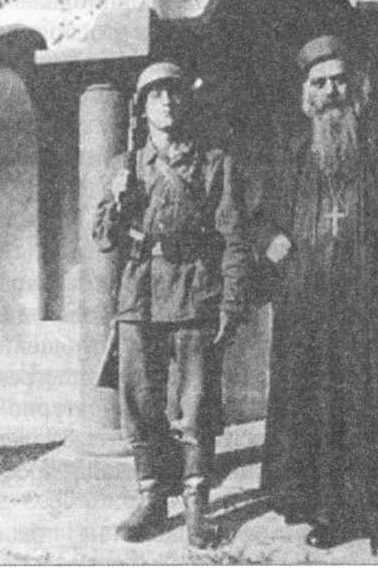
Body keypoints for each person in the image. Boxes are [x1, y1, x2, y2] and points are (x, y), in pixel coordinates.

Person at [92, 62, 251, 548]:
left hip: (193, 291)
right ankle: (151, 498)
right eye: (155, 95)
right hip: (139, 294)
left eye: (173, 93)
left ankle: (197, 504)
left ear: (186, 102)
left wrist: (231, 302)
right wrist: (117, 199)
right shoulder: (124, 165)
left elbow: (234, 238)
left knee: (194, 406)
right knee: (139, 403)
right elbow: (103, 238)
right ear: (142, 107)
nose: (166, 102)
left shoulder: (214, 163)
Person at [259, 36, 378, 555]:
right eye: (320, 83)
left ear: (355, 87)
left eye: (339, 80)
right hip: (309, 304)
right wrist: (270, 240)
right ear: (307, 93)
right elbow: (262, 216)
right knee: (319, 406)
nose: (331, 91)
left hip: (370, 301)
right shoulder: (294, 149)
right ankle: (329, 511)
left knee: (374, 405)